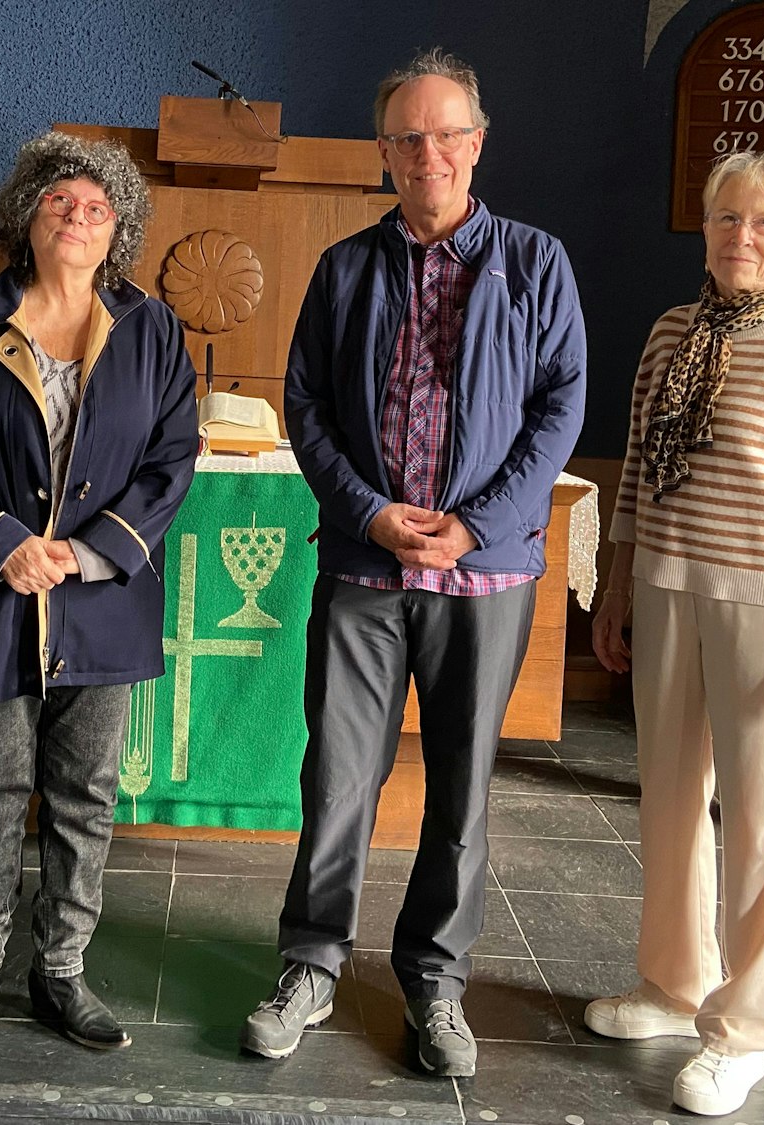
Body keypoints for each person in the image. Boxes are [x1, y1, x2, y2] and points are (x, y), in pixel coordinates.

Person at [243, 49, 587, 1078]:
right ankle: (309, 964)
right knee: (338, 777)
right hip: (363, 565)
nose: (426, 152)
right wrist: (369, 513)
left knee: (458, 790)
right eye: (406, 137)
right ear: (384, 153)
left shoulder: (534, 262)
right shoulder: (345, 267)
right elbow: (303, 403)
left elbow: (559, 404)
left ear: (475, 145)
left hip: (485, 576)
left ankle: (435, 982)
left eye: (445, 134)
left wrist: (476, 524)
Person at [582, 150, 764, 1117]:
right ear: (704, 229)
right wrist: (617, 585)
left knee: (763, 823)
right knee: (668, 798)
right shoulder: (670, 333)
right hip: (667, 588)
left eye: (763, 223)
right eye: (724, 219)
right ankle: (673, 985)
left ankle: (743, 1029)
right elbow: (633, 475)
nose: (740, 237)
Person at [0, 132, 199, 1058]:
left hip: (102, 599)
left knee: (84, 795)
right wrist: (3, 546)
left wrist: (85, 553)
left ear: (120, 227)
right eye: (59, 202)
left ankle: (62, 971)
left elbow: (170, 458)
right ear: (25, 216)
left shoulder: (151, 327)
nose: (77, 217)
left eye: (98, 206)